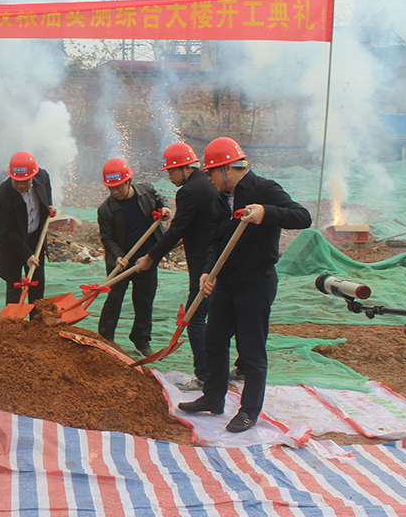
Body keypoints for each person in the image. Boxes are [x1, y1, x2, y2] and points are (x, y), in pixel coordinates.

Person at [177, 137, 311, 433]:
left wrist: (266, 212)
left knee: (251, 351)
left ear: (226, 169)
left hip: (255, 285)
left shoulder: (264, 189)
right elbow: (215, 240)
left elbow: (303, 217)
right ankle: (213, 398)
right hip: (225, 284)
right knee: (214, 342)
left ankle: (249, 410)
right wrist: (207, 272)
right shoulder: (219, 199)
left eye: (211, 172)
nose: (208, 178)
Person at [135, 143, 218, 390]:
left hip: (204, 262)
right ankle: (232, 368)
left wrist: (150, 257)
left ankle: (204, 376)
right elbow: (195, 223)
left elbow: (176, 231)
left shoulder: (189, 191)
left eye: (172, 171)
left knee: (195, 318)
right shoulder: (207, 183)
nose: (169, 176)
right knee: (218, 316)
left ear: (187, 168)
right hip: (216, 256)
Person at [97, 158, 168, 358]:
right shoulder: (106, 209)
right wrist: (118, 256)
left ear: (129, 181)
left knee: (144, 300)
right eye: (110, 188)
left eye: (118, 187)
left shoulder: (147, 192)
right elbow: (107, 238)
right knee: (114, 300)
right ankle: (105, 339)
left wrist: (165, 208)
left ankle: (141, 340)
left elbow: (160, 199)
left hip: (146, 258)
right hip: (121, 262)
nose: (115, 192)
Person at [0, 151, 55, 313]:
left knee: (37, 286)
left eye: (25, 181)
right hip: (13, 244)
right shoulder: (2, 197)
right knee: (15, 286)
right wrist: (27, 254)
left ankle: (36, 323)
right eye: (17, 181)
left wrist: (48, 205)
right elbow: (7, 232)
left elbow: (47, 189)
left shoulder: (42, 176)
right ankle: (13, 323)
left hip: (35, 239)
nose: (21, 185)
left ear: (33, 176)